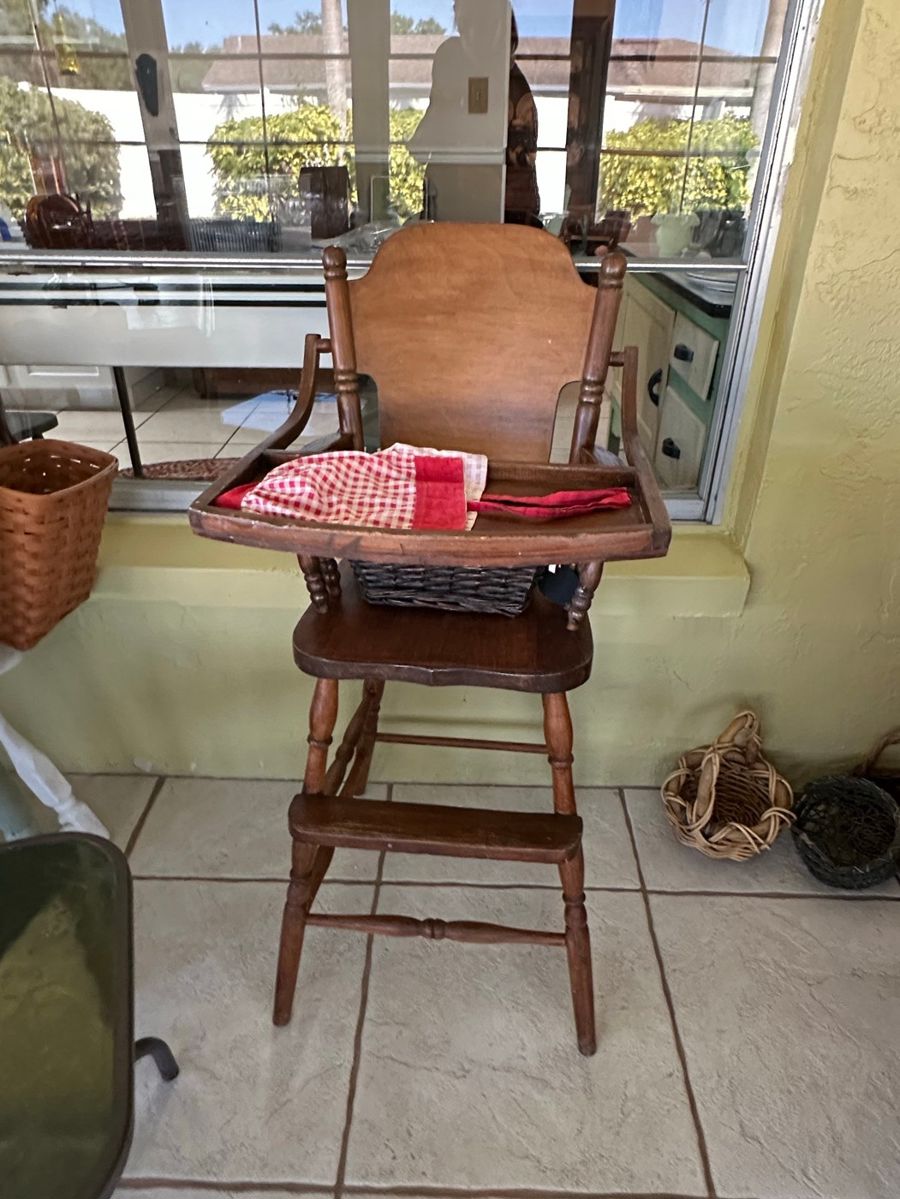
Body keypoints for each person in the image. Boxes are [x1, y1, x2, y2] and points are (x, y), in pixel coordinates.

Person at [410, 1, 541, 225]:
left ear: (500, 28)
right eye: (463, 25)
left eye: (481, 25)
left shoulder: (514, 90)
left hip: (499, 226)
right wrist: (445, 101)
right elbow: (420, 149)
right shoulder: (451, 59)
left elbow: (513, 188)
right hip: (446, 214)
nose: (470, 36)